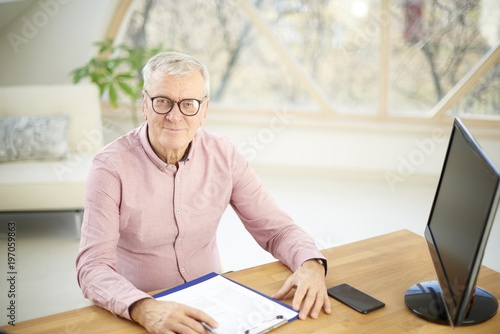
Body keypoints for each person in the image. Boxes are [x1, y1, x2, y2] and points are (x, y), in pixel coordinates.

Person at [76, 51, 331, 334]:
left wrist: (311, 264)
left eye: (189, 104)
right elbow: (92, 267)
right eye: (163, 102)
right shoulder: (109, 167)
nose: (174, 116)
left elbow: (277, 230)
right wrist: (144, 308)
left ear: (204, 110)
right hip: (141, 309)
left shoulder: (224, 154)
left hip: (215, 303)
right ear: (145, 105)